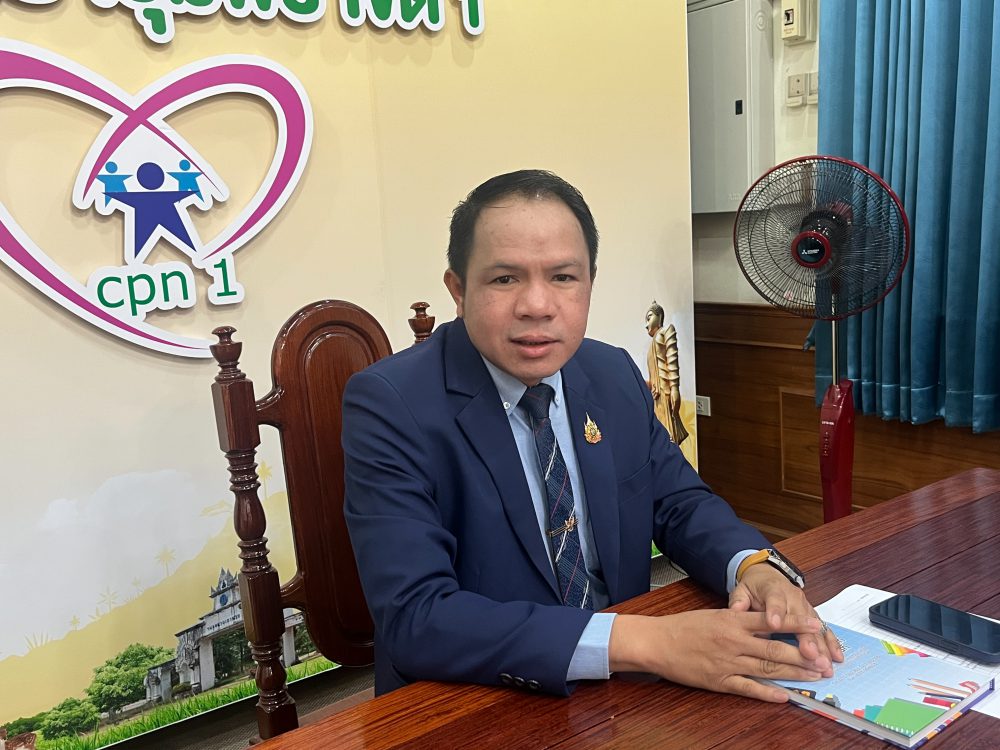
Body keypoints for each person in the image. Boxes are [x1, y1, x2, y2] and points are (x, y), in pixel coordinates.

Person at [342, 169, 842, 700]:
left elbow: (680, 503)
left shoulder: (612, 373)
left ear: (590, 283)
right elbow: (416, 617)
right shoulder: (389, 403)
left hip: (620, 690)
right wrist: (649, 641)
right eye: (505, 279)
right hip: (474, 697)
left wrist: (755, 567)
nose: (537, 305)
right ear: (459, 290)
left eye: (563, 277)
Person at [644, 301, 689, 447]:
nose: (646, 325)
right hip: (656, 397)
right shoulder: (650, 347)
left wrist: (674, 389)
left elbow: (672, 360)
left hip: (666, 393)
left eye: (649, 318)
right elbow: (653, 376)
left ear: (659, 316)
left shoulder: (666, 331)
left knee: (669, 435)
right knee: (659, 435)